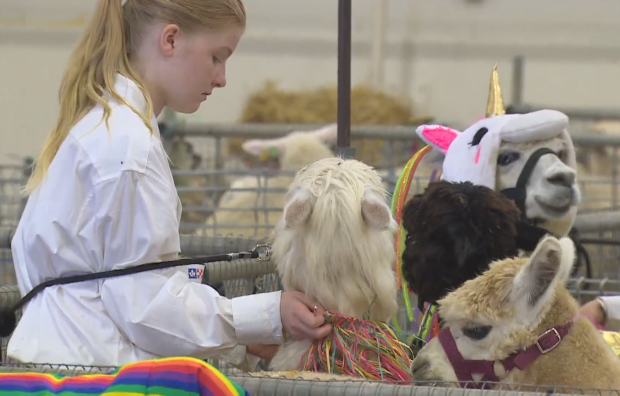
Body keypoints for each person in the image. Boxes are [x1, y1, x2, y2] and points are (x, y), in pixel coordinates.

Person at [8, 0, 332, 367]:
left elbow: (117, 293)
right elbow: (144, 306)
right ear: (171, 40)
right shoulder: (129, 148)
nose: (222, 77)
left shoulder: (99, 127)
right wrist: (267, 313)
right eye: (216, 57)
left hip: (63, 356)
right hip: (97, 376)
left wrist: (236, 343)